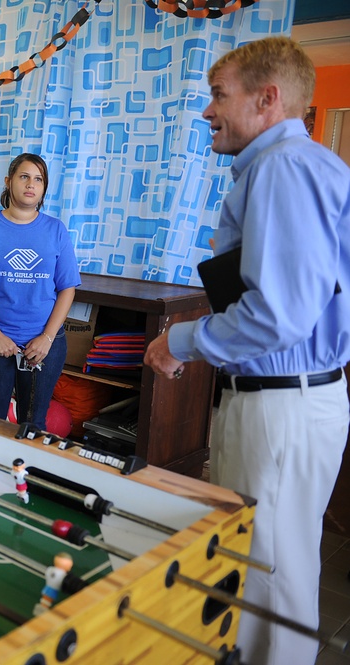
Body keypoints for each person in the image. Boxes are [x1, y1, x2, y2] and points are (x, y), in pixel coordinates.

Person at [142, 37, 349, 665]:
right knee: (255, 566)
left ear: (267, 99)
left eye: (218, 95)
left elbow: (278, 316)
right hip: (276, 401)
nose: (207, 111)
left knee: (270, 584)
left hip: (281, 409)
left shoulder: (285, 168)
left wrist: (178, 340)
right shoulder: (294, 168)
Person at [0, 153, 79, 429]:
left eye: (38, 179)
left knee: (33, 423)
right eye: (24, 176)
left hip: (43, 345)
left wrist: (47, 339)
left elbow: (67, 289)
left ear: (45, 187)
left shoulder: (56, 230)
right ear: (8, 181)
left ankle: (24, 472)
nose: (30, 184)